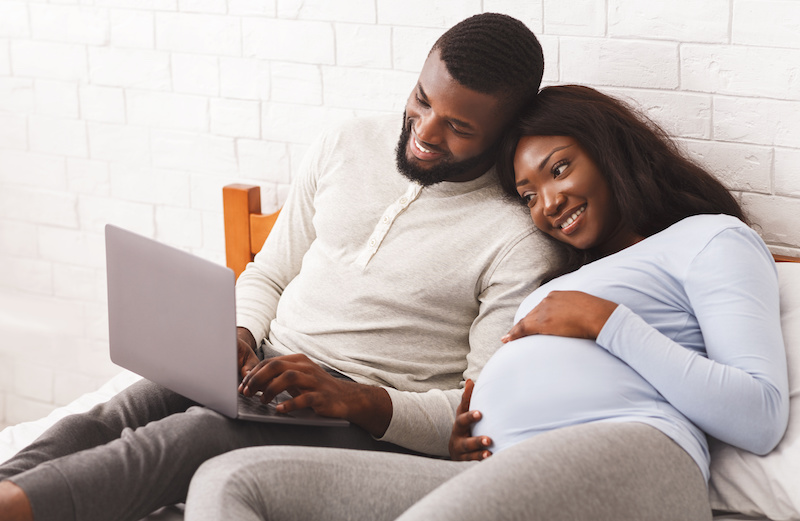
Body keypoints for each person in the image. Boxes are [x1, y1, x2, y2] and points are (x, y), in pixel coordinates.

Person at [0, 13, 556, 521]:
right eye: (422, 99)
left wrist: (357, 399)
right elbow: (269, 270)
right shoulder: (347, 143)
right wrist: (239, 332)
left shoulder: (517, 238)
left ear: (505, 132)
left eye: (459, 128)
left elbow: (475, 411)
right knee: (112, 414)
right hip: (264, 368)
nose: (427, 131)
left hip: (361, 420)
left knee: (195, 437)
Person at [182, 85, 790, 521]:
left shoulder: (710, 238)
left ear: (612, 151)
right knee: (232, 480)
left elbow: (759, 416)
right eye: (528, 194)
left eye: (559, 170)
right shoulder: (562, 274)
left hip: (636, 453)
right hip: (490, 466)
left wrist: (605, 322)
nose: (547, 204)